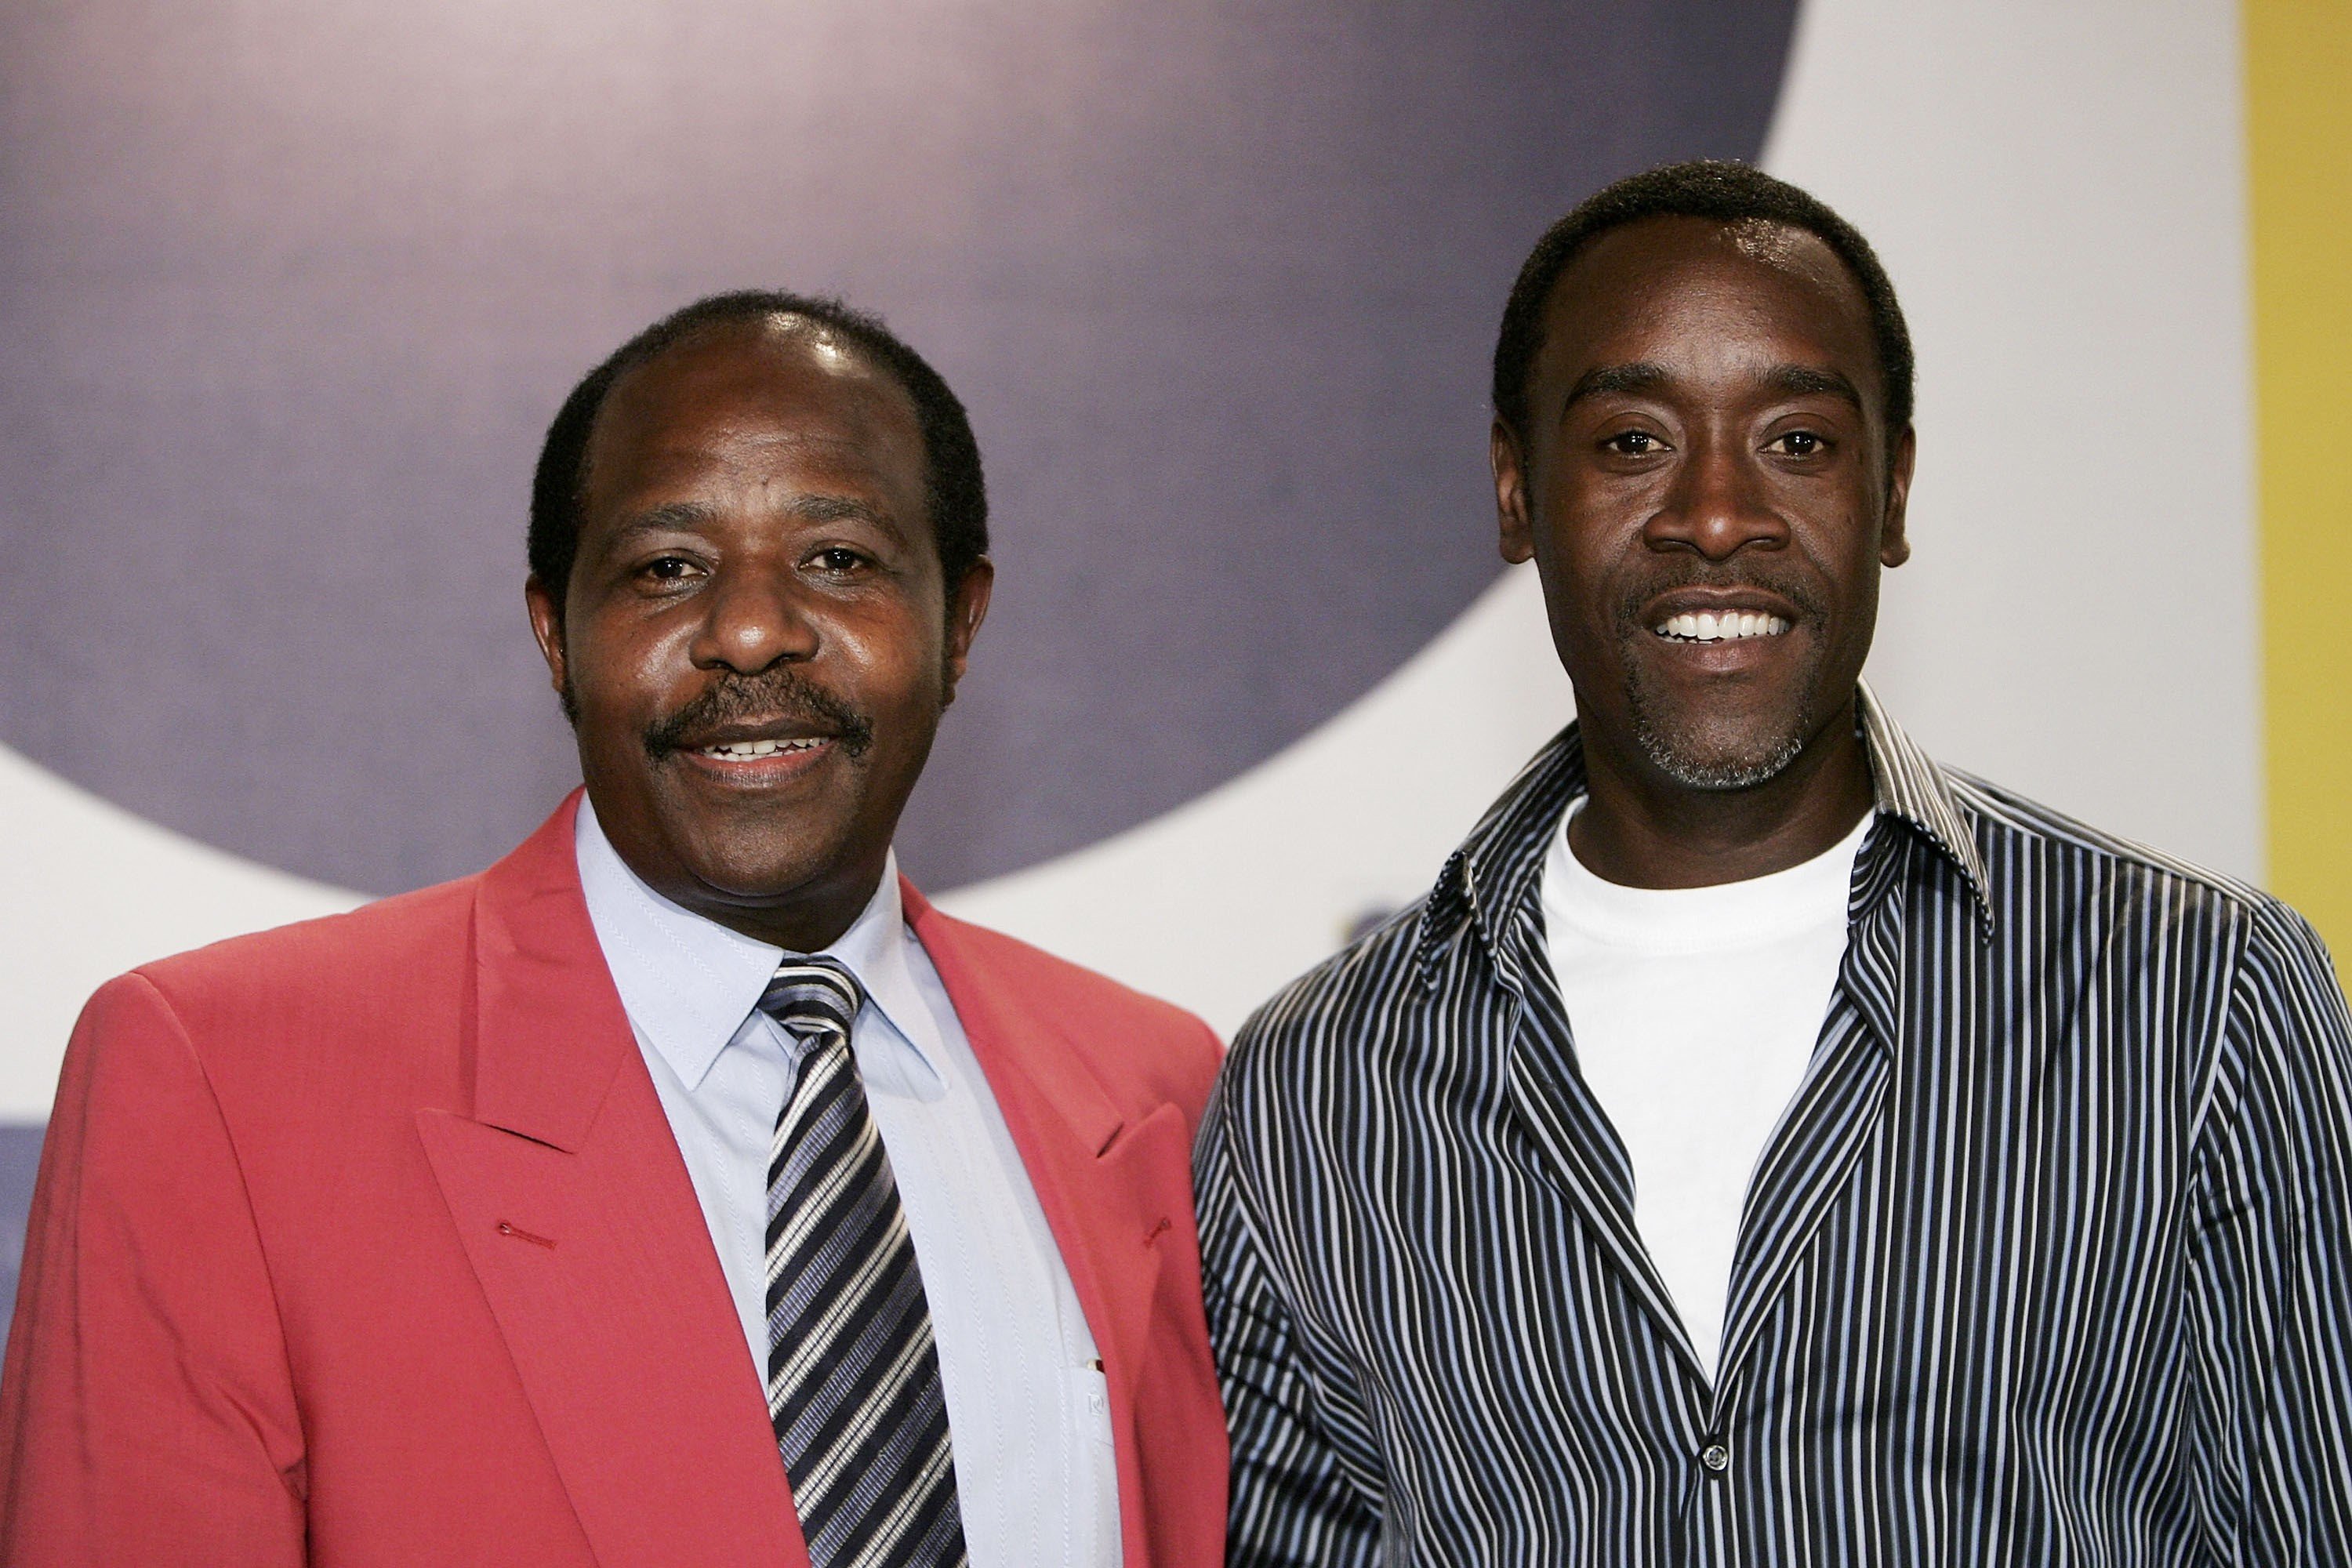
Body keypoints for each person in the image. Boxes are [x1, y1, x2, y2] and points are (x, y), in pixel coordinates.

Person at [1196, 161, 2352, 1565]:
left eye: (1799, 442)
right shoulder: (1315, 1084)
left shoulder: (2199, 991)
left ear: (1897, 492)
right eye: (1631, 442)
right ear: (1515, 493)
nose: (1718, 514)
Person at [0, 292, 1227, 1567]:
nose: (753, 629)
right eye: (667, 569)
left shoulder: (1156, 1088)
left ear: (960, 623)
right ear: (556, 636)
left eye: (839, 560)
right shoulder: (223, 1081)